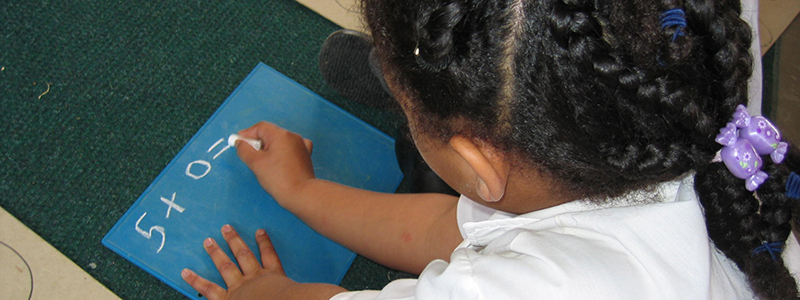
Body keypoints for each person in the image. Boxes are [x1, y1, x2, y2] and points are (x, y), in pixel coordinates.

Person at [180, 0, 800, 298]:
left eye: (405, 99)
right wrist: (302, 192)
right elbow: (462, 228)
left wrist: (255, 293)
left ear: (477, 164)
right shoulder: (683, 70)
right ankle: (450, 84)